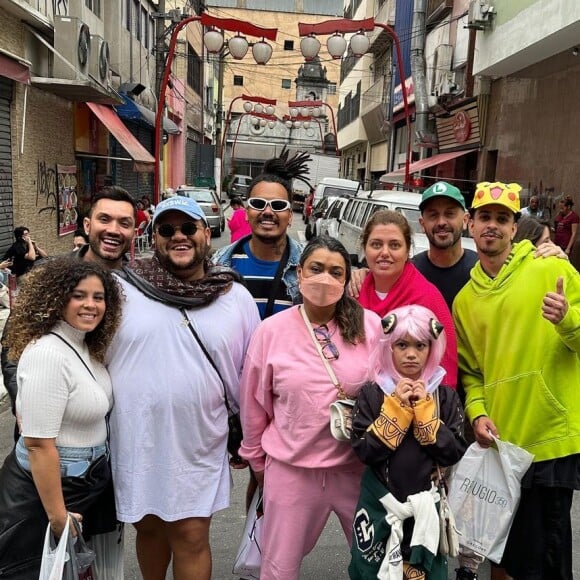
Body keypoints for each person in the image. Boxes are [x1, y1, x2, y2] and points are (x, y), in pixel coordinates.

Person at [107, 195, 260, 580]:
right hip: (136, 438)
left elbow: (255, 371)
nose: (179, 236)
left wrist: (253, 438)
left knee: (191, 535)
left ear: (206, 234)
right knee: (149, 528)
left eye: (188, 228)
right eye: (167, 229)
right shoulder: (121, 289)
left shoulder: (234, 296)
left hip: (200, 440)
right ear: (153, 236)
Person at [453, 181, 580, 580]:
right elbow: (471, 372)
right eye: (484, 218)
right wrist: (476, 414)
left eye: (502, 219)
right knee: (505, 559)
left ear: (514, 228)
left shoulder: (551, 268)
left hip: (550, 441)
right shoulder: (465, 300)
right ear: (470, 225)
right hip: (502, 448)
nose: (492, 226)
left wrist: (567, 321)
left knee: (547, 562)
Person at [239, 235, 383, 580]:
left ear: (346, 281)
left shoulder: (370, 326)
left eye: (336, 272)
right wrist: (259, 463)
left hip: (356, 470)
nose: (325, 279)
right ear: (299, 273)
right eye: (316, 269)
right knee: (279, 567)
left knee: (376, 565)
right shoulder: (270, 331)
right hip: (292, 471)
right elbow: (253, 404)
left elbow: (385, 391)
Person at [0, 257, 122, 578]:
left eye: (99, 297)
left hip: (82, 482)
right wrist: (57, 518)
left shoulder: (82, 345)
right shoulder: (47, 353)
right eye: (79, 295)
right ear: (57, 298)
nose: (91, 305)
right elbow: (39, 445)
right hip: (50, 492)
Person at [349, 304, 467, 579]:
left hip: (426, 508)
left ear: (432, 349)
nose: (411, 354)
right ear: (388, 347)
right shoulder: (372, 393)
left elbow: (454, 452)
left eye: (420, 345)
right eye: (401, 345)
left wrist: (426, 414)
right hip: (380, 505)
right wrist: (396, 411)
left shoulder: (445, 396)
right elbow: (364, 451)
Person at [356, 209, 459, 389]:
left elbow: (446, 363)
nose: (385, 252)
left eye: (395, 245)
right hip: (362, 404)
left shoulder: (427, 297)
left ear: (407, 250)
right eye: (376, 244)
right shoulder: (354, 293)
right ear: (365, 248)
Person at [213, 148, 311, 319]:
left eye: (278, 205)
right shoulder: (219, 264)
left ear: (290, 216)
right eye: (258, 203)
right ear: (246, 212)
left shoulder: (309, 265)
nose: (267, 211)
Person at [414, 181, 479, 310]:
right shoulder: (411, 271)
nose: (441, 222)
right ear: (422, 224)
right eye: (433, 215)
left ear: (465, 220)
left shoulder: (480, 270)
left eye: (450, 214)